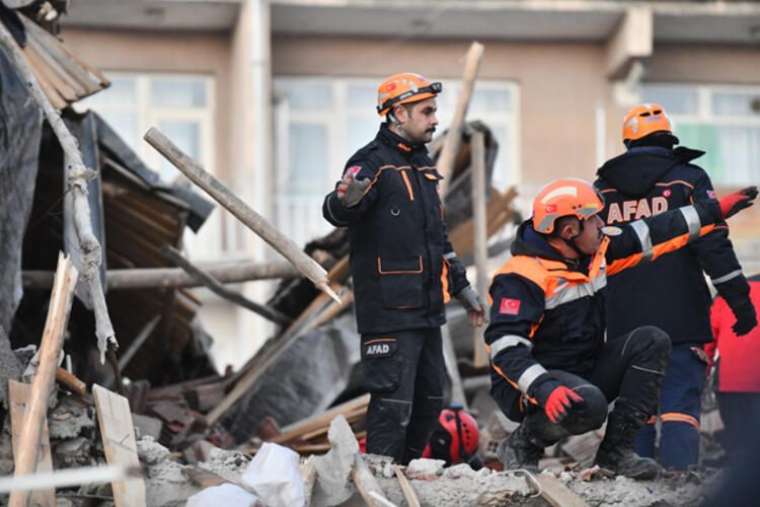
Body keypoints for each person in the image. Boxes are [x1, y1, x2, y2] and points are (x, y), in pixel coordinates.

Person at [485, 177, 742, 480]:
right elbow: (505, 348)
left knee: (652, 341)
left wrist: (712, 211)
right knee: (590, 407)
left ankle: (616, 454)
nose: (601, 224)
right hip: (532, 385)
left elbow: (652, 231)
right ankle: (522, 445)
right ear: (569, 230)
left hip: (580, 368)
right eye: (593, 218)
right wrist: (545, 389)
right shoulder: (521, 277)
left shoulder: (594, 252)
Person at [322, 72, 486, 464]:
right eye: (426, 111)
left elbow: (439, 241)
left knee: (431, 399)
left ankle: (402, 471)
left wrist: (462, 288)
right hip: (389, 311)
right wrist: (344, 201)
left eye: (434, 111)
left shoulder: (421, 166)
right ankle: (379, 479)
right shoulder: (370, 163)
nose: (434, 119)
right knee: (392, 403)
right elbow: (339, 210)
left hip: (427, 310)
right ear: (397, 113)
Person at [593, 103, 757, 469]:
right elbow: (713, 244)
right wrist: (740, 305)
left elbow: (593, 258)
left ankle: (634, 485)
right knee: (680, 404)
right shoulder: (689, 178)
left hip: (623, 322)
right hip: (681, 315)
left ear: (627, 141)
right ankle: (679, 482)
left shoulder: (601, 190)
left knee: (636, 403)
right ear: (669, 138)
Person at [706, 273, 760, 459]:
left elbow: (707, 340)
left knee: (739, 441)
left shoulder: (725, 295)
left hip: (731, 382)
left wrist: (703, 372)